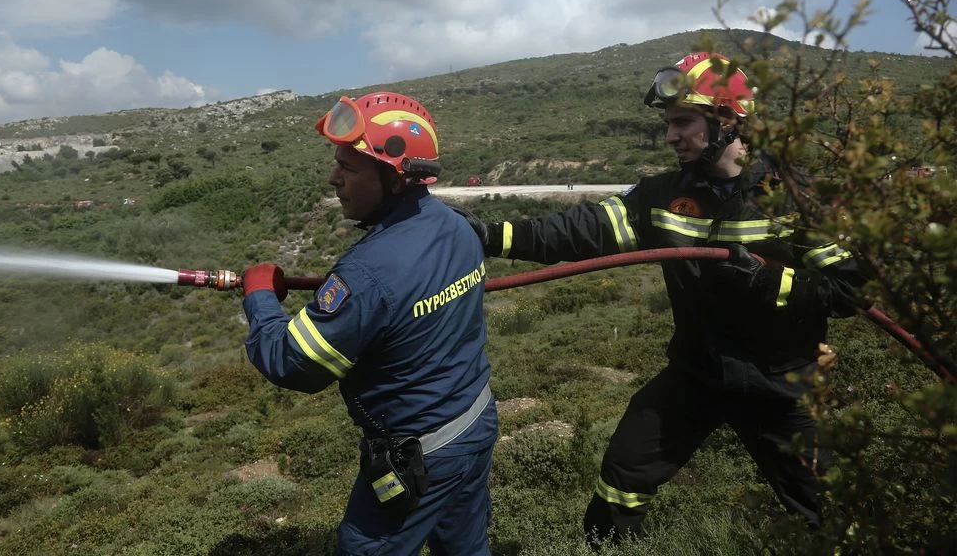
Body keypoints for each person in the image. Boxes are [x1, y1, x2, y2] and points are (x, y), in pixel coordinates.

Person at [470, 53, 865, 544]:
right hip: (697, 373)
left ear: (727, 121)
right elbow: (580, 230)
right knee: (621, 479)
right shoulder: (664, 193)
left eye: (683, 122)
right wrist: (486, 236)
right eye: (668, 124)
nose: (671, 136)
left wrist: (771, 283)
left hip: (781, 386)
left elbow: (850, 290)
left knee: (829, 512)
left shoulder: (797, 197)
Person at [241, 91, 497, 555]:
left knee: (364, 546)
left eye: (349, 168)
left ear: (397, 180)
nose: (333, 178)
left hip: (421, 454)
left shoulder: (367, 275)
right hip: (473, 422)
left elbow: (293, 363)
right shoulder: (456, 227)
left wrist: (259, 295)